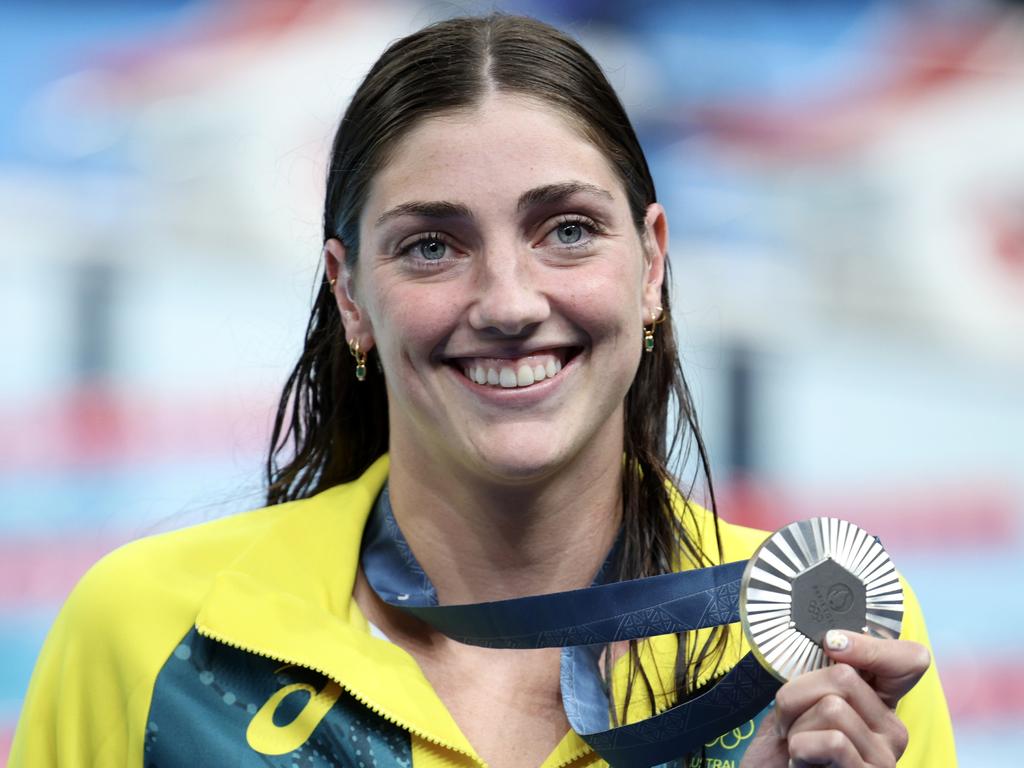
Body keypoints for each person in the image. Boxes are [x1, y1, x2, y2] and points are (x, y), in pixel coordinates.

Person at [11, 13, 955, 768]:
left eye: (569, 230)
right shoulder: (152, 635)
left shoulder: (822, 649)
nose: (508, 302)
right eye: (432, 245)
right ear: (351, 295)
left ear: (653, 263)